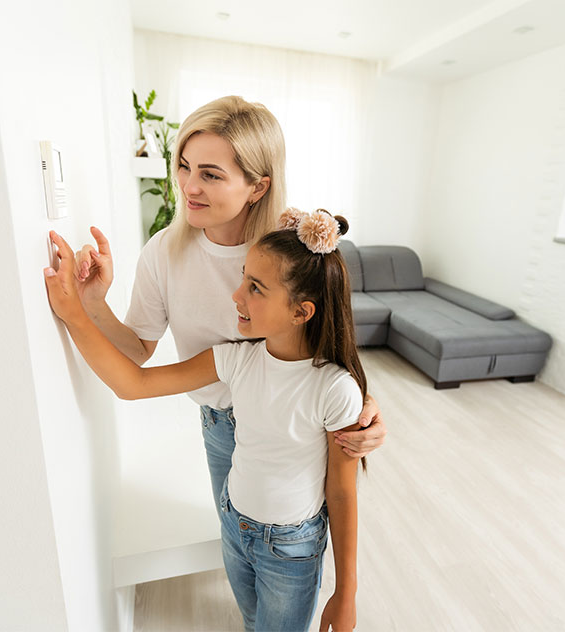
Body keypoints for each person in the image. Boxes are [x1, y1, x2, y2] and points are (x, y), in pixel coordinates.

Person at [44, 209, 363, 631]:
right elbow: (133, 383)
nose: (236, 295)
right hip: (233, 523)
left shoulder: (335, 390)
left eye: (255, 288)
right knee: (253, 622)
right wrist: (76, 314)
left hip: (291, 549)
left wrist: (346, 593)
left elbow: (341, 495)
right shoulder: (236, 359)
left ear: (301, 312)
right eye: (243, 279)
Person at [70, 95, 387, 509]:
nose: (189, 186)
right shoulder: (164, 251)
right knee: (236, 532)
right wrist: (95, 303)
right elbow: (138, 349)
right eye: (184, 166)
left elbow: (326, 341)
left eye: (211, 175)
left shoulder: (288, 252)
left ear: (257, 186)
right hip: (219, 424)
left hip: (291, 424)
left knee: (293, 541)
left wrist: (365, 406)